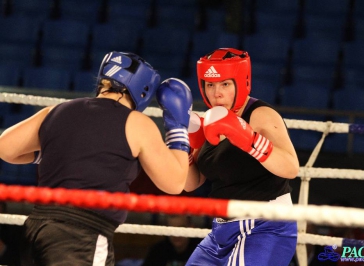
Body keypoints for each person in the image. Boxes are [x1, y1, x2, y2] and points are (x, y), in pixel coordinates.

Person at [0, 51, 193, 265]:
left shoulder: (58, 110)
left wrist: (60, 152)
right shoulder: (137, 122)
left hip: (35, 229)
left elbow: (5, 148)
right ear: (144, 90)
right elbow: (174, 183)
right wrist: (178, 129)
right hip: (80, 235)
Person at [184, 48, 299, 265]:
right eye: (210, 85)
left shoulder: (261, 115)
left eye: (225, 84)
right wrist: (183, 143)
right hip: (221, 231)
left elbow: (291, 168)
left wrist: (250, 140)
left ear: (241, 82)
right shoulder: (211, 120)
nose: (216, 93)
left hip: (265, 226)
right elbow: (191, 184)